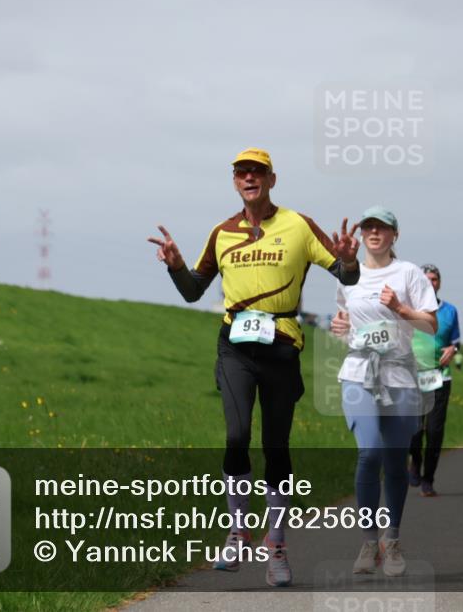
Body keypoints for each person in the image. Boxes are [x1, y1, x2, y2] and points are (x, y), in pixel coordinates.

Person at [149, 147, 360, 587]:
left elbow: (346, 275)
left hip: (282, 348)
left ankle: (277, 544)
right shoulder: (222, 233)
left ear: (272, 179)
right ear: (235, 182)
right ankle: (237, 529)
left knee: (276, 447)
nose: (249, 178)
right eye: (242, 173)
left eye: (257, 172)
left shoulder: (298, 224)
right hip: (236, 349)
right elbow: (193, 290)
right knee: (236, 435)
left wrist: (350, 259)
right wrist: (175, 268)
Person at [330, 206, 437, 577]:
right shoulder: (347, 276)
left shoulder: (409, 273)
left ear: (395, 234)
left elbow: (430, 325)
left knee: (394, 460)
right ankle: (367, 539)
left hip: (400, 377)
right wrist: (339, 327)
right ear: (361, 235)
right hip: (359, 372)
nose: (374, 232)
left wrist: (401, 308)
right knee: (369, 451)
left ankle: (391, 541)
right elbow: (344, 324)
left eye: (383, 227)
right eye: (369, 227)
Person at [408, 264, 461, 497]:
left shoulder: (450, 311)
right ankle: (415, 463)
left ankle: (428, 479)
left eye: (435, 279)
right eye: (426, 279)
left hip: (440, 377)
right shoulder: (408, 309)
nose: (431, 283)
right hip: (411, 377)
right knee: (414, 431)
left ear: (440, 283)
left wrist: (453, 349)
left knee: (435, 430)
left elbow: (456, 342)